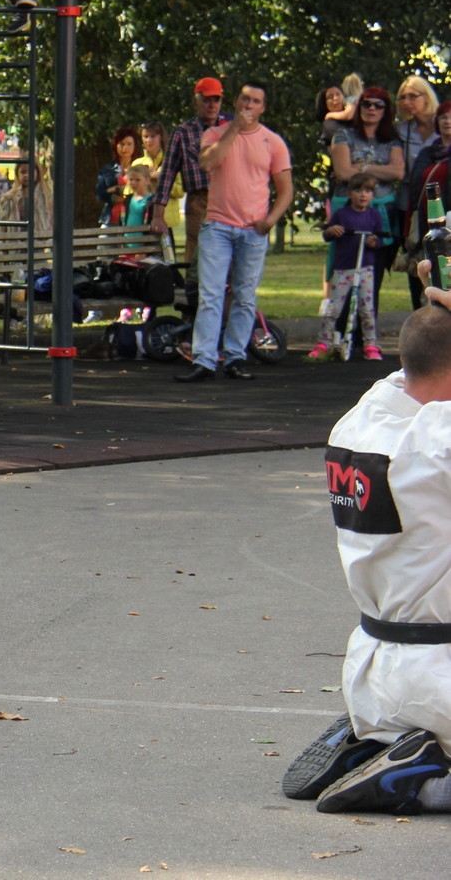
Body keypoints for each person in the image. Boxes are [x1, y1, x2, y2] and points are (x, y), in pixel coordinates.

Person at [286, 292, 451, 814]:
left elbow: (413, 370)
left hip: (372, 671)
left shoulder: (359, 422)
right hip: (440, 677)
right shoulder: (439, 443)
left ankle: (381, 743)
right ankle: (425, 777)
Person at [175, 80, 292, 383]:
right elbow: (208, 163)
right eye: (244, 99)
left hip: (253, 231)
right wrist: (234, 129)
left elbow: (286, 190)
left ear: (263, 107)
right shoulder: (215, 134)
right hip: (217, 227)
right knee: (210, 295)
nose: (248, 105)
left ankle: (236, 357)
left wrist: (270, 221)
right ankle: (204, 359)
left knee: (244, 297)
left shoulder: (273, 142)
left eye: (255, 101)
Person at [328, 86, 404, 302]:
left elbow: (398, 172)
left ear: (385, 111)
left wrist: (363, 168)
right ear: (359, 106)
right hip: (349, 213)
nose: (371, 108)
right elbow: (342, 172)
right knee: (345, 275)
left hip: (381, 216)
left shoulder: (392, 139)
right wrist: (381, 170)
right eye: (366, 103)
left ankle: (367, 334)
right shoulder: (343, 134)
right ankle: (341, 332)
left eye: (378, 105)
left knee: (373, 279)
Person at [306, 173, 382, 362]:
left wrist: (375, 242)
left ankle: (370, 344)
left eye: (367, 191)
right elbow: (328, 234)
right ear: (349, 193)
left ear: (372, 195)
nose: (362, 195)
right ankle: (323, 342)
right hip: (344, 268)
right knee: (335, 308)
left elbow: (381, 239)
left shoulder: (374, 215)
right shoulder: (342, 214)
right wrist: (332, 230)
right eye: (358, 191)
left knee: (367, 308)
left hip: (365, 268)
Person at [155, 77, 230, 265]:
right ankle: (192, 290)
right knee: (196, 246)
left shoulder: (231, 129)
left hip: (229, 198)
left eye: (216, 100)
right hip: (199, 199)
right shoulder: (183, 132)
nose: (212, 105)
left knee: (229, 248)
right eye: (206, 100)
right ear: (196, 101)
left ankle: (227, 292)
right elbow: (167, 174)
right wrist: (158, 215)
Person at [396, 77, 441, 307]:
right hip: (410, 206)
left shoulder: (444, 122)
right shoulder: (401, 131)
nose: (406, 101)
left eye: (413, 95)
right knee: (417, 262)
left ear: (427, 96)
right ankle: (419, 314)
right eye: (402, 97)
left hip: (442, 202)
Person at [404, 100, 451, 297]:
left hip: (449, 223)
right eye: (443, 117)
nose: (448, 121)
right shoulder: (427, 153)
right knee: (423, 273)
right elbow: (414, 189)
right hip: (426, 222)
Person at [0, 158, 53, 235]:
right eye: (23, 172)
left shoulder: (46, 196)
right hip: (15, 240)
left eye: (30, 171)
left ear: (38, 172)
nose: (26, 175)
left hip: (40, 240)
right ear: (17, 174)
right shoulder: (9, 199)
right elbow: (3, 226)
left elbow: (52, 221)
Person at [95, 126, 138, 226]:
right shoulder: (107, 169)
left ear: (135, 145)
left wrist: (116, 189)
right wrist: (117, 197)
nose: (125, 148)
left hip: (133, 218)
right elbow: (100, 194)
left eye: (129, 144)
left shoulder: (139, 167)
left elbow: (142, 192)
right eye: (121, 144)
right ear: (116, 146)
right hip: (110, 218)